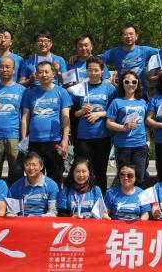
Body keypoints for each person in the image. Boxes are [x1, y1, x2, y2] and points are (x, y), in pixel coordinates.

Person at [20, 61, 72, 184]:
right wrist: (23, 140)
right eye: (40, 72)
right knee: (34, 176)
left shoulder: (62, 92)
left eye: (46, 72)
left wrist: (65, 139)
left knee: (56, 176)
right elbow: (25, 118)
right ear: (36, 75)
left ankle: (55, 197)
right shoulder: (30, 93)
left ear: (53, 74)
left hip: (54, 141)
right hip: (34, 141)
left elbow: (65, 118)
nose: (44, 75)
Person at [71, 56, 117, 188]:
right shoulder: (80, 88)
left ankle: (100, 197)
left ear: (102, 71)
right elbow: (74, 113)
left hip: (102, 135)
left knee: (100, 171)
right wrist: (82, 111)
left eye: (96, 70)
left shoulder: (109, 88)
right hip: (83, 136)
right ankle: (83, 196)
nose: (92, 73)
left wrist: (99, 114)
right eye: (90, 70)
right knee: (83, 171)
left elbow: (115, 111)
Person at [106, 70, 150, 181]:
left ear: (138, 84)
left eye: (134, 82)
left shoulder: (143, 102)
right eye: (127, 82)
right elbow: (109, 123)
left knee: (139, 178)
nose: (130, 84)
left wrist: (148, 141)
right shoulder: (116, 102)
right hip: (123, 145)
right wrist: (123, 127)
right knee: (124, 179)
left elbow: (146, 124)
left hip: (140, 145)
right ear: (122, 84)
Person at [101, 24, 157, 91]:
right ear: (121, 37)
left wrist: (156, 72)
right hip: (123, 91)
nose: (128, 36)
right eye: (125, 34)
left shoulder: (144, 50)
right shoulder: (115, 52)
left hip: (141, 92)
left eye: (131, 34)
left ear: (136, 36)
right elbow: (97, 60)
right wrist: (106, 76)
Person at [6, 152, 59, 217]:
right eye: (27, 165)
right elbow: (11, 212)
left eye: (34, 165)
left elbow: (52, 212)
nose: (31, 168)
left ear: (41, 166)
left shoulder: (51, 185)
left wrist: (36, 219)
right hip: (22, 220)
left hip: (42, 220)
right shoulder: (16, 186)